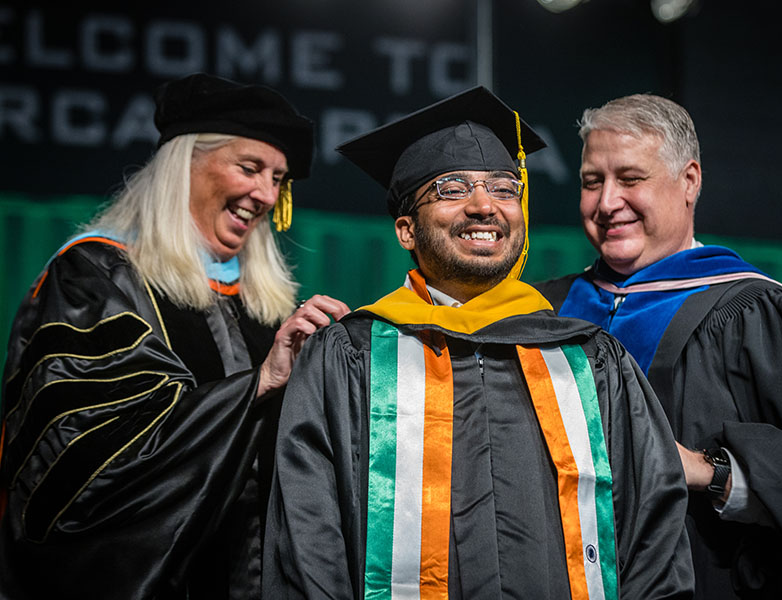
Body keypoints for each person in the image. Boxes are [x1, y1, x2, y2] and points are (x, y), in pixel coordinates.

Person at [262, 86, 693, 600]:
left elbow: (653, 532)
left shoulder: (590, 358)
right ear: (406, 230)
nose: (484, 205)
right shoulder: (350, 357)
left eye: (505, 188)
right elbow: (307, 541)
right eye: (451, 188)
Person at [0, 73, 350, 599]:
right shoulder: (97, 278)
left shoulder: (267, 306)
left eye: (278, 179)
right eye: (250, 168)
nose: (265, 194)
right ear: (182, 166)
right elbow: (84, 461)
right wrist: (255, 388)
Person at [535, 93, 782, 599]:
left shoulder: (760, 316)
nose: (607, 202)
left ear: (689, 181)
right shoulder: (548, 312)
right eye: (592, 182)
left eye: (631, 179)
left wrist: (715, 470)